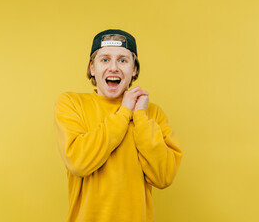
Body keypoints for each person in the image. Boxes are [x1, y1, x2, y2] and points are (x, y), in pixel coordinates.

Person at [54, 29, 183, 222]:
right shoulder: (71, 103)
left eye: (123, 60)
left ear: (134, 70)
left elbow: (163, 176)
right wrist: (124, 113)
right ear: (92, 68)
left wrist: (139, 115)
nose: (113, 67)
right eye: (104, 60)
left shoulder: (152, 113)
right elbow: (78, 162)